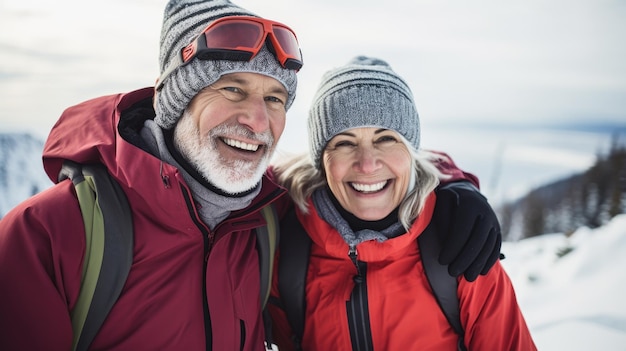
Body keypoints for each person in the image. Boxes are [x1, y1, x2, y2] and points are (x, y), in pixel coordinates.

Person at [0, 1, 501, 350]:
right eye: (233, 90)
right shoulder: (48, 236)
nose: (258, 122)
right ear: (174, 101)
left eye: (275, 99)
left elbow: (366, 170)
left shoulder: (268, 215)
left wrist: (454, 186)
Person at [268, 56, 537, 350]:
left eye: (386, 139)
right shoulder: (287, 251)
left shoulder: (461, 251)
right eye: (344, 143)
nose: (367, 164)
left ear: (411, 152)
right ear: (321, 160)